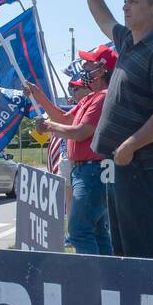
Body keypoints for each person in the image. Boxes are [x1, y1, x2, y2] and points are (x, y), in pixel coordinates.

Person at [76, 0, 153, 259]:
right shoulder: (127, 42)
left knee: (142, 242)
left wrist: (131, 145)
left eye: (133, 1)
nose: (125, 6)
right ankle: (130, 301)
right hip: (115, 161)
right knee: (120, 241)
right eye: (125, 1)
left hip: (139, 164)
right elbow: (103, 18)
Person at [23, 45, 116, 256]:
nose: (83, 67)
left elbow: (81, 132)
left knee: (79, 231)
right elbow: (64, 118)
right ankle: (107, 281)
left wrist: (49, 127)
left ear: (102, 70)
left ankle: (90, 280)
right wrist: (38, 95)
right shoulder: (91, 98)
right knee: (98, 231)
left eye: (89, 64)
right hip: (91, 171)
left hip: (93, 171)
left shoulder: (103, 97)